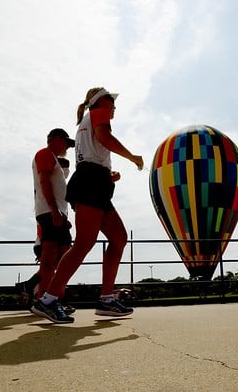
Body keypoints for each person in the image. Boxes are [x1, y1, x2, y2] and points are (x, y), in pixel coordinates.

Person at [31, 87, 144, 324]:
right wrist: (132, 157)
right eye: (111, 101)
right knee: (84, 243)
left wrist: (104, 173)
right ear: (100, 101)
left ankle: (106, 299)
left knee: (118, 237)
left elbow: (91, 155)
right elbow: (105, 138)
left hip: (93, 181)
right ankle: (48, 299)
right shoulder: (98, 113)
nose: (114, 106)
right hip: (90, 183)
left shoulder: (85, 120)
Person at [24, 130, 75, 313]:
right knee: (51, 257)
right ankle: (44, 300)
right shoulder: (45, 154)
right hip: (49, 212)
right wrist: (54, 210)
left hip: (56, 212)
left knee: (62, 256)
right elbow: (44, 181)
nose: (67, 147)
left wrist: (61, 213)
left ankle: (46, 296)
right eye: (66, 142)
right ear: (54, 139)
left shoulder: (52, 158)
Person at [16, 155, 72, 308]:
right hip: (46, 230)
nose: (66, 171)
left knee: (55, 265)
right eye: (64, 168)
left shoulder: (58, 185)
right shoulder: (51, 183)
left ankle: (37, 290)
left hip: (47, 229)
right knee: (56, 263)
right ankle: (46, 298)